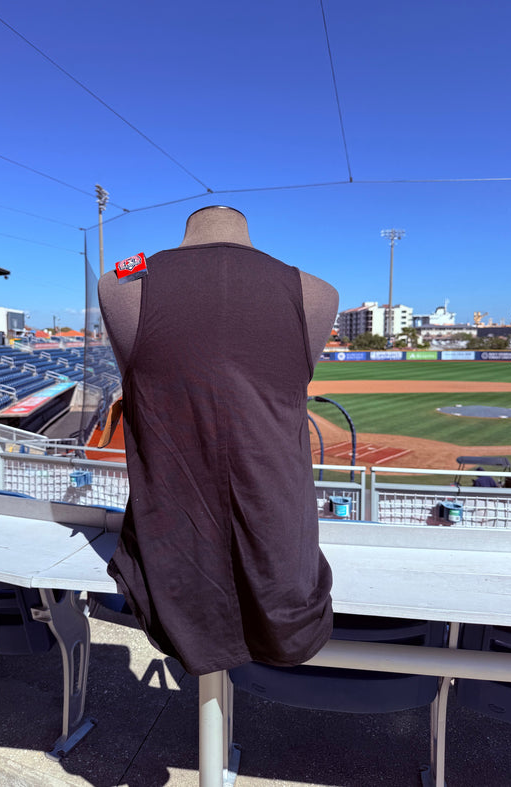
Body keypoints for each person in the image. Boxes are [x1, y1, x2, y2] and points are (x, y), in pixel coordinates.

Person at [98, 205, 338, 675]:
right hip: (274, 549)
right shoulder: (309, 287)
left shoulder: (128, 277)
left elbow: (120, 277)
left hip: (174, 549)